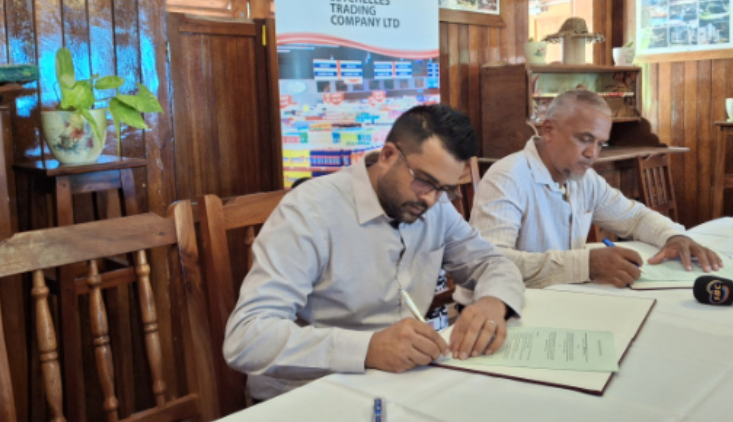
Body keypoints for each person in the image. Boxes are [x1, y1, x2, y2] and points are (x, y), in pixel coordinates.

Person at [224, 104, 525, 400]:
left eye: (445, 189)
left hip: (398, 385)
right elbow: (248, 338)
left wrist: (493, 302)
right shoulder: (310, 212)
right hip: (311, 392)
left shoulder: (435, 206)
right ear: (388, 155)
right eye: (424, 181)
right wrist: (369, 348)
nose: (432, 200)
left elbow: (491, 262)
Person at [464, 90, 722, 290]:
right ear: (549, 130)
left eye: (600, 144)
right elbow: (489, 263)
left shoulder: (584, 179)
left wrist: (672, 237)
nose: (593, 154)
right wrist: (585, 265)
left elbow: (635, 217)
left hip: (560, 298)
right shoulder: (508, 177)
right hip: (503, 309)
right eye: (585, 139)